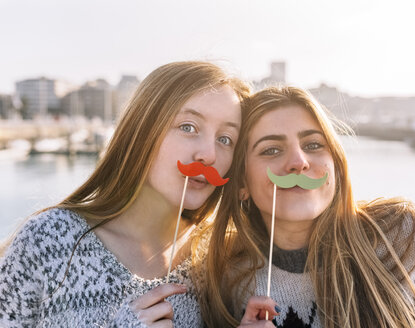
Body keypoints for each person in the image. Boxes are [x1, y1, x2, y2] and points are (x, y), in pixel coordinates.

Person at [195, 86, 415, 328]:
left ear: (336, 166)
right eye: (271, 150)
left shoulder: (404, 231)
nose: (299, 161)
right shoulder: (228, 278)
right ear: (242, 185)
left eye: (313, 145)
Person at [0, 61, 250, 327]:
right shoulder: (48, 241)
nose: (209, 155)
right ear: (142, 130)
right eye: (188, 127)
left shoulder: (220, 259)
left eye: (225, 139)